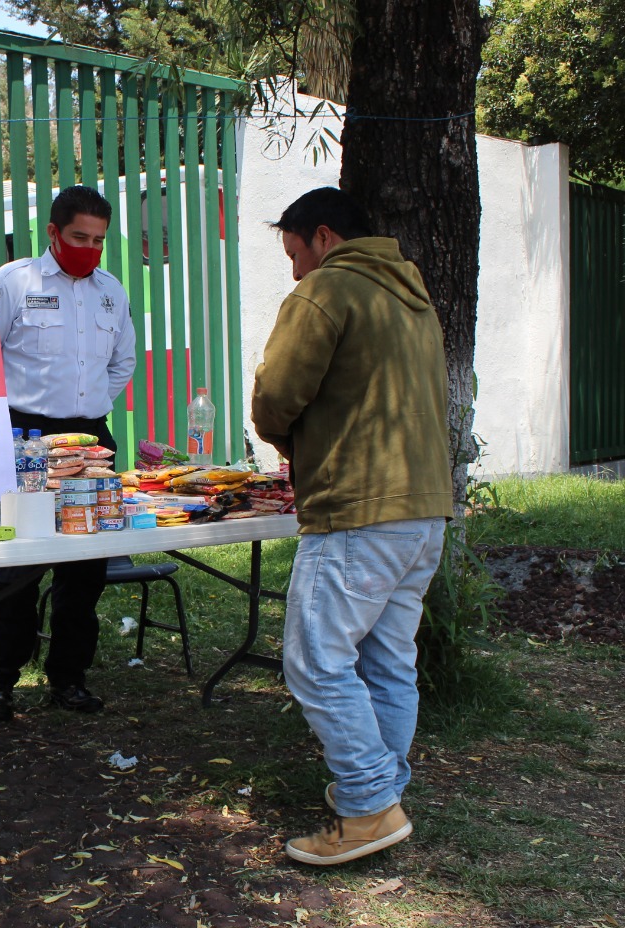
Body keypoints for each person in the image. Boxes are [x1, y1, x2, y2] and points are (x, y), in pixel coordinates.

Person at [250, 187, 453, 865]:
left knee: (315, 661)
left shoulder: (327, 289)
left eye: (294, 254)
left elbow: (277, 395)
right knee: (387, 661)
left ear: (323, 237)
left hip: (358, 507)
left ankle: (368, 806)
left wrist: (284, 437)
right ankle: (384, 796)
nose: (294, 271)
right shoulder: (411, 294)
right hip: (422, 509)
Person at [0, 185, 136, 720]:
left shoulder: (111, 291)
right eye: (78, 237)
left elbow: (122, 361)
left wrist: (87, 407)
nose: (89, 249)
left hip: (91, 440)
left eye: (98, 240)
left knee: (85, 569)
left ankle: (69, 679)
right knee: (19, 566)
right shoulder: (14, 282)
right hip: (25, 438)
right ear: (53, 232)